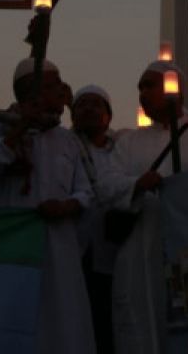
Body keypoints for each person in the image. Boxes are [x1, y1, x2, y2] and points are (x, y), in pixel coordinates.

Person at [0, 58, 95, 354]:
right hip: (11, 253)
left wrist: (67, 206)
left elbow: (86, 191)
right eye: (54, 84)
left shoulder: (66, 140)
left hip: (59, 255)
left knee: (62, 329)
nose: (63, 89)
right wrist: (21, 129)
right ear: (32, 91)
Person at [106, 61, 188, 354]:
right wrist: (137, 184)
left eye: (150, 85)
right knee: (141, 317)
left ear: (176, 90)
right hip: (141, 245)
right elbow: (106, 183)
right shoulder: (129, 142)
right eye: (140, 87)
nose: (143, 93)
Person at [71, 85, 121, 354]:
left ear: (108, 116)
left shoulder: (122, 149)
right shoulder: (63, 147)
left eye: (96, 104)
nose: (88, 109)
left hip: (112, 253)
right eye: (82, 104)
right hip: (75, 250)